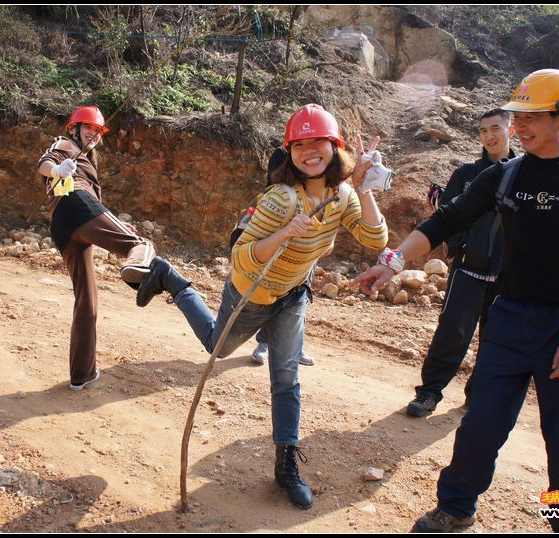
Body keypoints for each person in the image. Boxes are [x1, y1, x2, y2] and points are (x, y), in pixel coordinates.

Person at [352, 69, 559, 532]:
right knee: (480, 426)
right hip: (510, 320)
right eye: (516, 116)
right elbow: (448, 220)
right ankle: (457, 506)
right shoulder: (504, 176)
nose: (518, 126)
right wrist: (395, 259)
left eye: (530, 116)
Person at [137, 104, 389, 509]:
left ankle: (286, 466)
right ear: (289, 151)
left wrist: (365, 188)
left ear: (334, 146)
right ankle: (173, 281)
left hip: (292, 296)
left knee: (286, 378)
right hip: (252, 292)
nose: (310, 151)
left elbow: (374, 241)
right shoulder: (280, 200)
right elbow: (242, 256)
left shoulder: (342, 195)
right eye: (300, 144)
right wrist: (287, 232)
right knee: (217, 347)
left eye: (318, 142)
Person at [407, 109, 516, 417]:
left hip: (507, 277)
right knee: (452, 334)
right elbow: (448, 217)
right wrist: (459, 246)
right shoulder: (467, 174)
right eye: (483, 131)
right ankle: (429, 393)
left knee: (495, 341)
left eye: (496, 128)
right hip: (468, 269)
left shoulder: (525, 176)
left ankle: (477, 398)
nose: (490, 136)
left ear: (512, 131)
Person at [38, 106, 155, 391]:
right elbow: (45, 162)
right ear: (73, 128)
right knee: (141, 244)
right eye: (88, 127)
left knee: (86, 301)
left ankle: (82, 374)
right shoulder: (65, 144)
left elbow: (95, 205)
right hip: (76, 206)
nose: (93, 133)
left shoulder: (89, 157)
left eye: (98, 130)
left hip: (67, 227)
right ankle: (134, 268)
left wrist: (115, 225)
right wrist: (57, 169)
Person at [251, 147, 317, 367]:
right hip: (282, 235)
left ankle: (294, 347)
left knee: (301, 294)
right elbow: (273, 189)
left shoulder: (318, 156)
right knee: (273, 291)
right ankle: (264, 343)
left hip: (309, 240)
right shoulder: (281, 154)